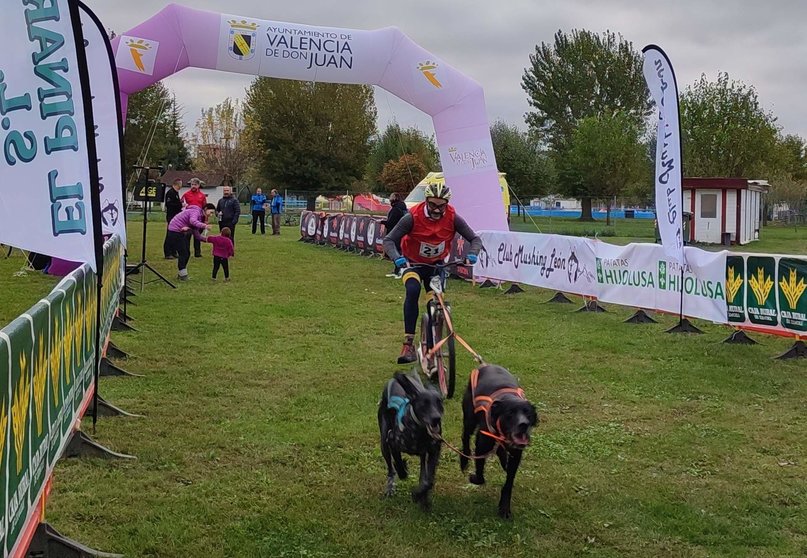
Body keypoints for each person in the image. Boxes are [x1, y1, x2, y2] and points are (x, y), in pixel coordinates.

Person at [383, 183, 481, 364]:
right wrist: (397, 258)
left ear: (447, 203)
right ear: (426, 201)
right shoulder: (412, 217)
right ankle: (408, 344)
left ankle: (432, 340)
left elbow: (475, 239)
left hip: (436, 266)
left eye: (441, 205)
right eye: (432, 204)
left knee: (434, 303)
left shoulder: (452, 218)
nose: (436, 209)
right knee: (412, 290)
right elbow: (389, 240)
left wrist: (473, 253)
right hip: (413, 263)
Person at [166, 203, 215, 281]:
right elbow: (192, 221)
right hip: (174, 231)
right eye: (211, 212)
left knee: (187, 253)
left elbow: (197, 235)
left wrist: (210, 240)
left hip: (180, 232)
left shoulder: (199, 217)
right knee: (183, 253)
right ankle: (183, 275)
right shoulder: (195, 212)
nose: (211, 215)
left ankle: (181, 274)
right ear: (205, 209)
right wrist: (205, 226)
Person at [381, 192, 409, 277]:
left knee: (396, 252)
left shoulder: (395, 209)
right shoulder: (402, 208)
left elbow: (391, 222)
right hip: (401, 232)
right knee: (399, 251)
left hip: (395, 233)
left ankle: (400, 269)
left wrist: (382, 222)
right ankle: (398, 270)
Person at [181, 178, 208, 257]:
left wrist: (205, 219)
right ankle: (186, 252)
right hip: (188, 219)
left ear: (198, 185)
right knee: (187, 236)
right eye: (192, 184)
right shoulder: (186, 195)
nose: (193, 186)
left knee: (197, 236)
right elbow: (181, 204)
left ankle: (197, 252)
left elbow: (205, 208)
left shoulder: (202, 196)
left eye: (195, 185)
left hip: (198, 219)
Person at [163, 178, 183, 259]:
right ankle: (167, 252)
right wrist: (180, 205)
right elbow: (169, 205)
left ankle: (174, 251)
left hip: (176, 217)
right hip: (171, 216)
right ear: (178, 184)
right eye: (181, 184)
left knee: (175, 234)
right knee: (170, 234)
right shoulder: (170, 193)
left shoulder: (176, 193)